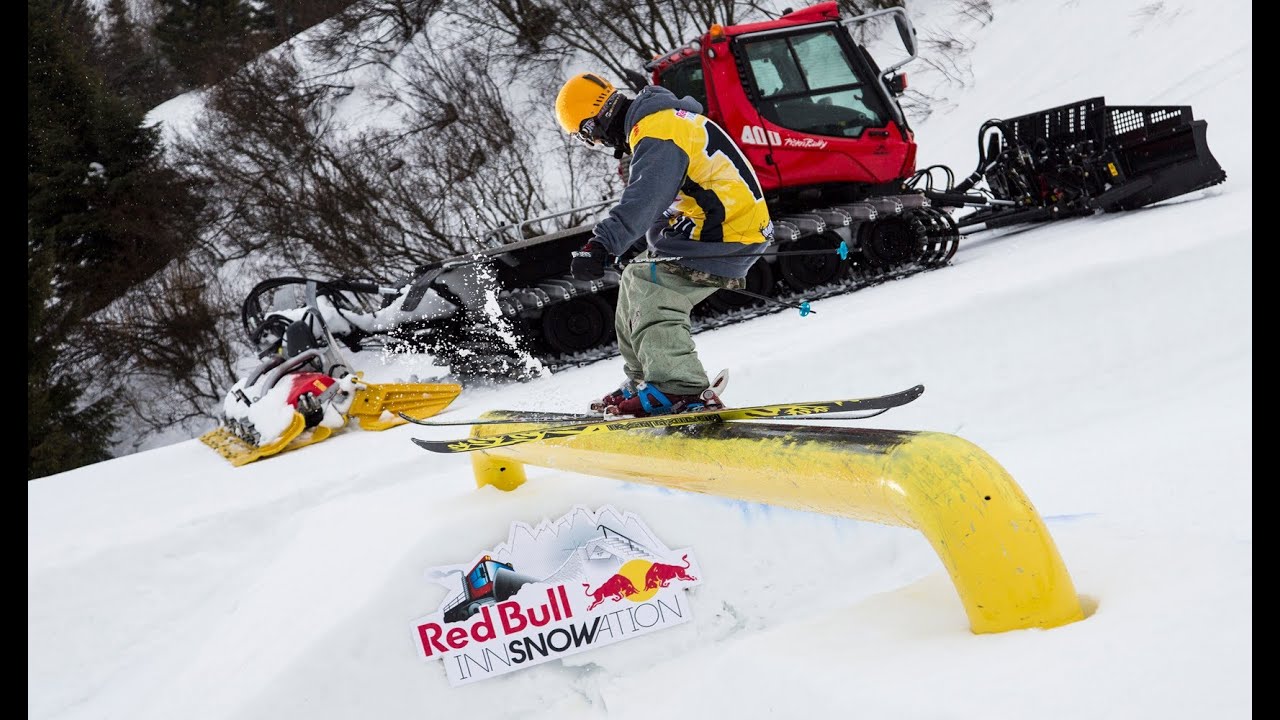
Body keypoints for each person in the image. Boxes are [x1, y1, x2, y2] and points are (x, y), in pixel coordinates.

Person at [554, 72, 773, 417]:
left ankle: (679, 387)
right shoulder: (661, 121)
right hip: (719, 223)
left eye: (588, 137)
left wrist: (602, 243)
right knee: (635, 275)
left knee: (653, 287)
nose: (598, 144)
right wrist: (643, 240)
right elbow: (664, 201)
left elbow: (644, 200)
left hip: (728, 230)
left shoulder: (656, 132)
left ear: (593, 124)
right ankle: (645, 379)